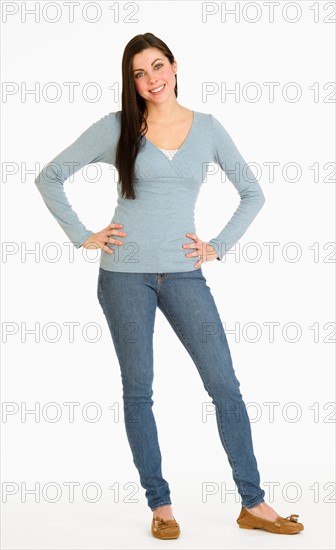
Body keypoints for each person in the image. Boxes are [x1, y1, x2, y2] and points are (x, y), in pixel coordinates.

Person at [34, 32, 304, 539]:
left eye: (157, 66)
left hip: (184, 275)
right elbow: (50, 176)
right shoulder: (117, 127)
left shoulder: (208, 129)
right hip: (123, 277)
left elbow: (253, 193)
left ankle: (254, 503)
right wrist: (83, 235)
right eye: (139, 73)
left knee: (225, 385)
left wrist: (217, 246)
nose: (151, 79)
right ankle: (161, 506)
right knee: (139, 391)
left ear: (175, 67)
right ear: (131, 81)